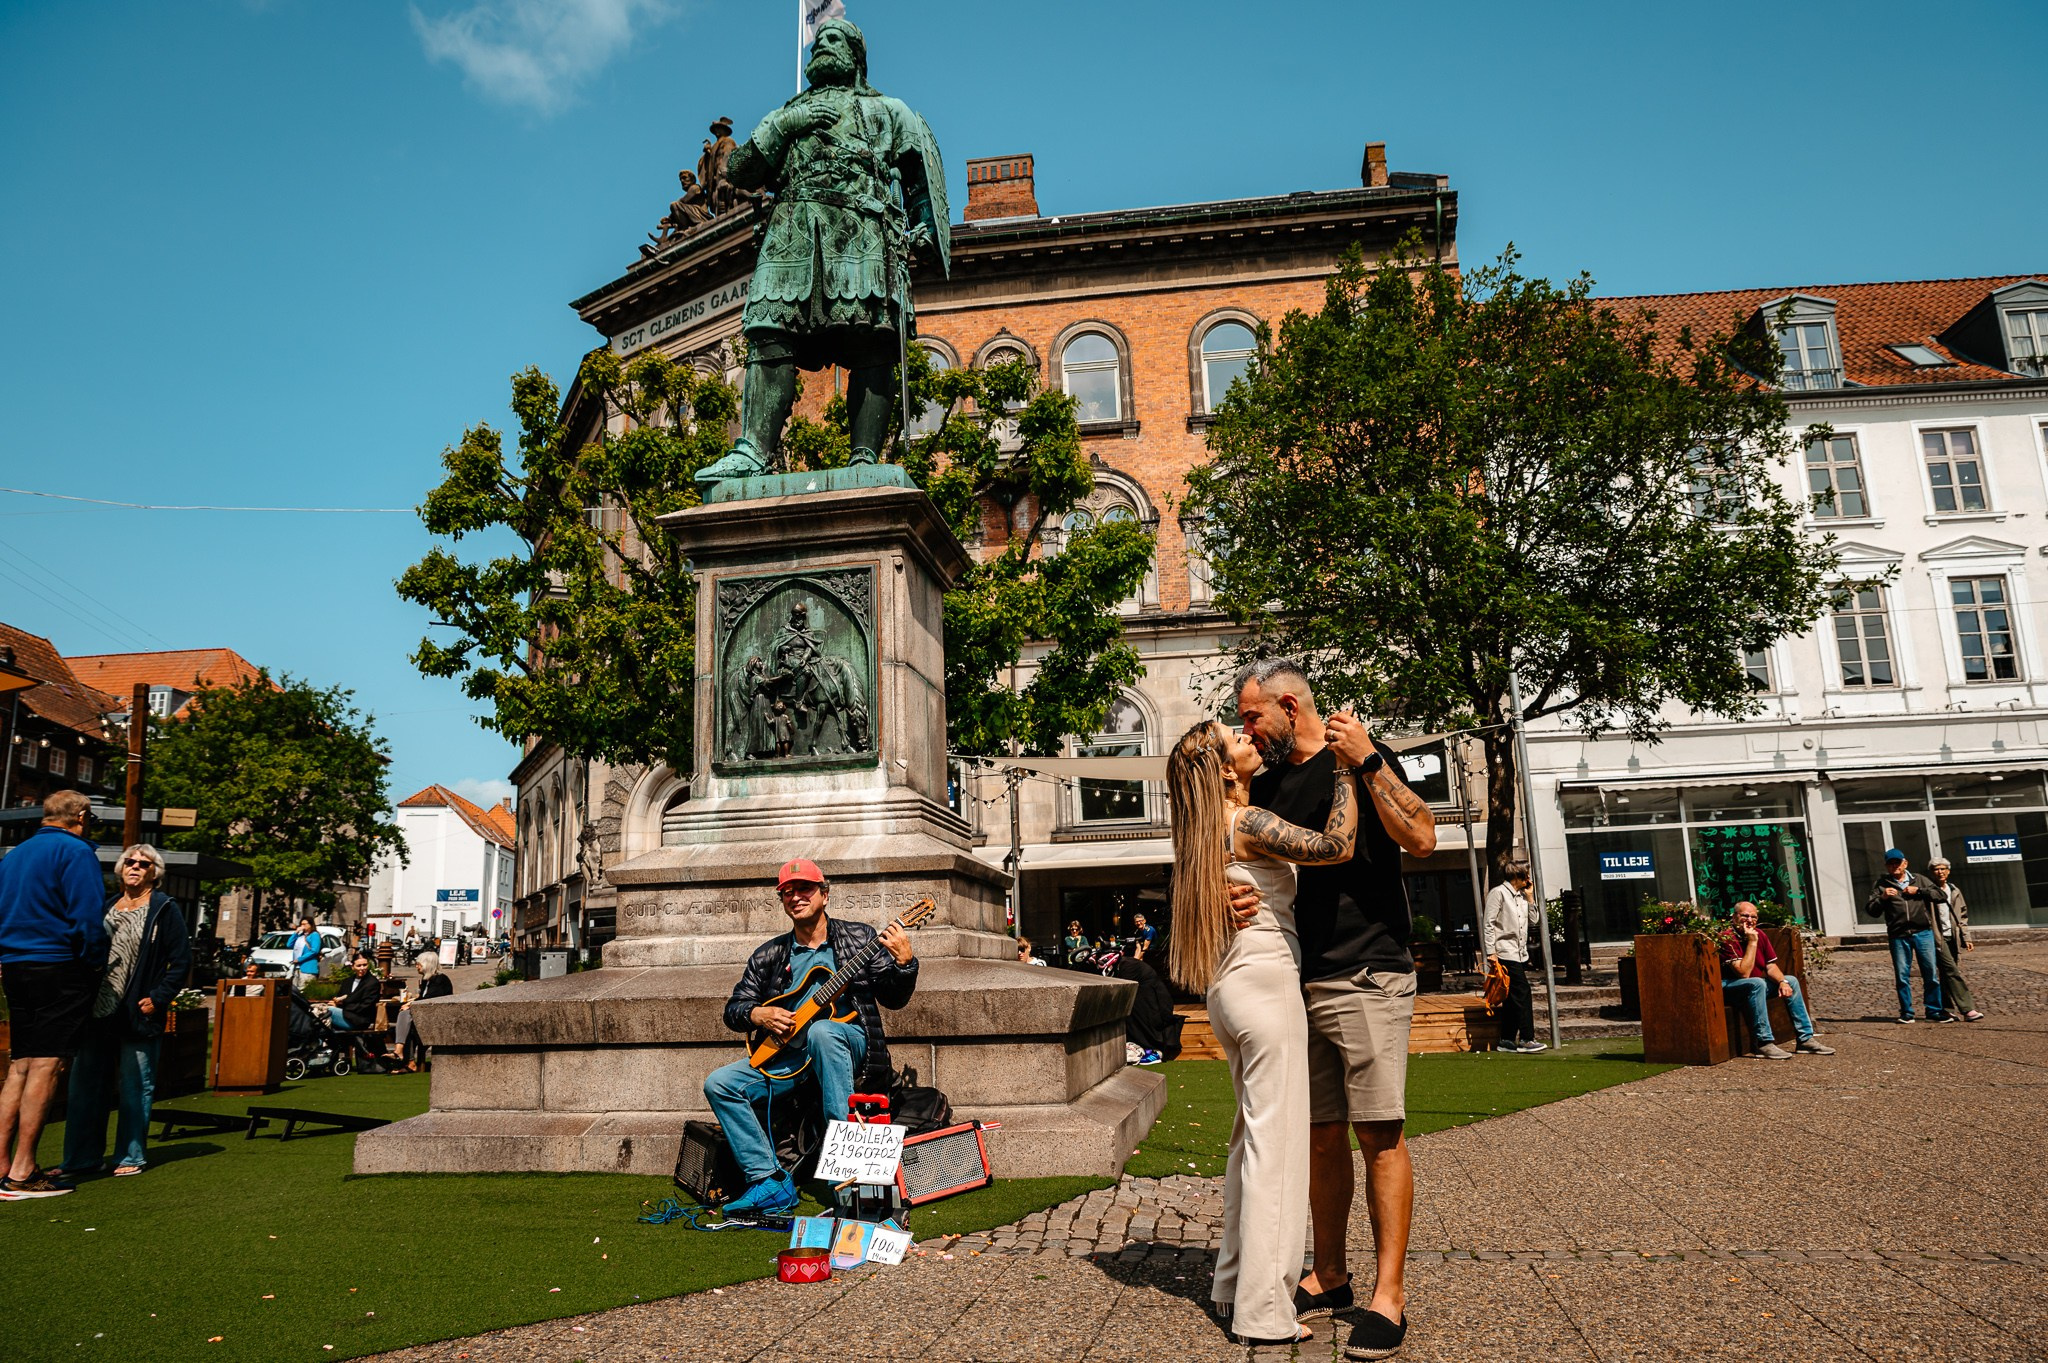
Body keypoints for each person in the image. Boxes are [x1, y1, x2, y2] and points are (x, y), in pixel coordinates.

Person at [1230, 660, 1438, 1360]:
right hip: (1295, 976)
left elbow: (1422, 838)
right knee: (1320, 1136)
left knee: (1378, 1132)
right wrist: (1233, 892)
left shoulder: (1363, 755)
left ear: (1289, 706)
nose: (1247, 730)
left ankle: (1389, 1295)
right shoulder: (1265, 783)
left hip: (1368, 968)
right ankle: (1330, 1272)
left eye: (1254, 716)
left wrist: (1369, 761)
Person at [1166, 718, 1361, 1347]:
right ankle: (1264, 1312)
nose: (1247, 737)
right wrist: (1348, 769)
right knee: (1277, 1152)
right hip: (1265, 983)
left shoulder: (1203, 834)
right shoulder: (1246, 822)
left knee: (1248, 1143)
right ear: (1225, 770)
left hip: (1230, 989)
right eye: (1235, 738)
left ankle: (1231, 1285)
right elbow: (1336, 847)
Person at [692, 18, 950, 488]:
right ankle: (752, 451)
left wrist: (924, 231)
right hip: (793, 232)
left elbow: (919, 178)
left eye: (835, 40)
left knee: (872, 342)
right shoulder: (788, 115)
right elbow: (742, 171)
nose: (821, 46)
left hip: (862, 232)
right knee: (769, 332)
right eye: (819, 41)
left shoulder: (889, 111)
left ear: (856, 58)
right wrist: (787, 124)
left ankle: (864, 455)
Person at [702, 857, 918, 1217]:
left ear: (824, 894)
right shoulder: (770, 955)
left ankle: (848, 1180)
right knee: (721, 1083)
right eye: (787, 892)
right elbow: (734, 1009)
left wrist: (905, 964)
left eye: (805, 888)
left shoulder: (859, 938)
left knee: (822, 1031)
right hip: (790, 1057)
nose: (796, 896)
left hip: (848, 1045)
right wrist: (758, 1014)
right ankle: (769, 1181)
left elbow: (894, 998)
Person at [0, 791, 110, 1200]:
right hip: (59, 965)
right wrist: (94, 963)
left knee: (21, 1064)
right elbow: (87, 918)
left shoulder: (14, 855)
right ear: (81, 816)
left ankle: (3, 1164)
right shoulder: (76, 852)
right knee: (48, 1064)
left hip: (16, 964)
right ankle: (23, 1170)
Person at [61, 844, 191, 1178]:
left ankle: (130, 1155)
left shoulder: (164, 909)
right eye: (129, 862)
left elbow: (181, 961)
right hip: (97, 1010)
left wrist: (158, 997)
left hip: (137, 1012)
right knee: (85, 1086)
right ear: (120, 868)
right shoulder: (106, 906)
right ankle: (81, 1158)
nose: (135, 867)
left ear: (155, 873)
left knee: (135, 1086)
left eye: (143, 864)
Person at [1719, 902, 1832, 1058]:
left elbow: (1771, 966)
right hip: (1730, 987)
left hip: (1753, 986)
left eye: (1753, 917)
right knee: (1757, 983)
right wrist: (1752, 942)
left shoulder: (1760, 934)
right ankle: (1763, 1043)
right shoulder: (1727, 938)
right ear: (1734, 917)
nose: (1749, 920)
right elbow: (1743, 973)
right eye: (1745, 916)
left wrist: (1782, 982)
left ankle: (1805, 1039)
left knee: (1791, 980)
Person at [1867, 849, 1945, 1023]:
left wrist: (1919, 891)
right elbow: (1872, 911)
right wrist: (1882, 897)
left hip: (1923, 933)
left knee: (1931, 973)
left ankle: (1933, 1011)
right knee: (1902, 975)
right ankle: (1907, 1012)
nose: (1894, 866)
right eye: (1891, 863)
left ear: (1905, 863)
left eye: (1897, 862)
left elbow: (1941, 895)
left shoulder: (1919, 880)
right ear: (1886, 866)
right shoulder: (1881, 884)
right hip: (1898, 935)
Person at [1481, 863, 1543, 1053]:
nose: (1529, 879)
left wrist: (1530, 898)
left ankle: (1506, 1040)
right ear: (1518, 876)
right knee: (1523, 992)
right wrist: (1490, 951)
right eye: (1526, 875)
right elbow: (1488, 924)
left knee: (1511, 996)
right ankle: (1526, 1039)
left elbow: (1534, 920)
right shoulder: (1498, 893)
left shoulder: (1522, 896)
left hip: (1519, 953)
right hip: (1505, 952)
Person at [1927, 859, 1984, 1021]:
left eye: (1943, 868)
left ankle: (1945, 1009)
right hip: (1937, 937)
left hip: (1953, 936)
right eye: (1936, 869)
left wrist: (1966, 937)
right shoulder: (1928, 891)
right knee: (1951, 970)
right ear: (1931, 872)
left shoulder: (1954, 890)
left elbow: (1962, 915)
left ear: (1948, 871)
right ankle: (1967, 1009)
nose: (1940, 872)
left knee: (1946, 974)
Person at [387, 951, 452, 1071]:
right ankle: (407, 1060)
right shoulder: (426, 979)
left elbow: (430, 999)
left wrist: (411, 1004)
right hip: (424, 1016)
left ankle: (402, 1054)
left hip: (437, 1018)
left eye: (419, 964)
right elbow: (423, 998)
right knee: (406, 1021)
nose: (416, 966)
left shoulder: (440, 979)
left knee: (405, 1015)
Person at [322, 953, 381, 1033]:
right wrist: (336, 1003)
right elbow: (340, 997)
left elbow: (365, 1006)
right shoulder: (347, 981)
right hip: (345, 1014)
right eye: (359, 966)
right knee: (319, 1011)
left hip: (359, 1020)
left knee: (327, 1011)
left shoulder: (372, 983)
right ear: (353, 967)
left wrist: (342, 1007)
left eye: (365, 965)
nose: (362, 968)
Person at [288, 917, 324, 993]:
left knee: (304, 990)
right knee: (294, 991)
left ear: (310, 925)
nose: (302, 926)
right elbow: (289, 944)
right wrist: (296, 933)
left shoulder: (314, 935)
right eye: (301, 924)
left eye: (305, 924)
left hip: (307, 968)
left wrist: (300, 959)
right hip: (297, 968)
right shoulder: (300, 936)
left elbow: (314, 951)